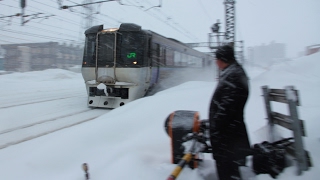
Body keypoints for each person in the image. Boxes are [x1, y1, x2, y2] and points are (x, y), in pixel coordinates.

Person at [209, 45, 251, 180]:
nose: (215, 62)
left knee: (227, 171)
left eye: (217, 59)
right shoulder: (233, 72)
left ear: (222, 59)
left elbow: (228, 108)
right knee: (229, 169)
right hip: (230, 134)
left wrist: (216, 125)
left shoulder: (233, 75)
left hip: (227, 136)